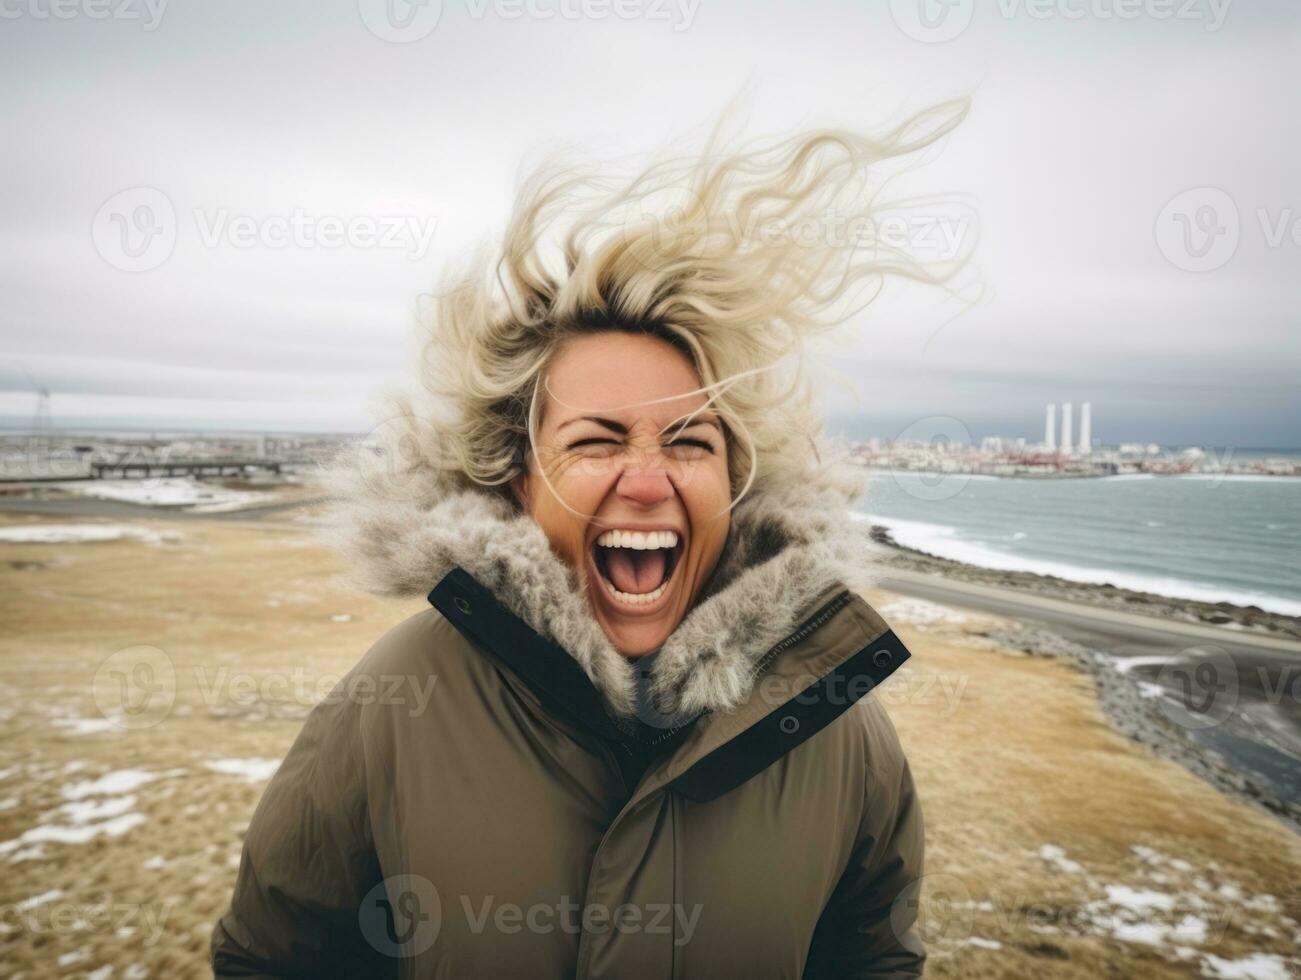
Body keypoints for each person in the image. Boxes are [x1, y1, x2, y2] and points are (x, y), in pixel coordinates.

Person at [211, 98, 971, 978]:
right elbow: (274, 959)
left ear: (735, 483)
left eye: (690, 442)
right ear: (518, 480)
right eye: (596, 440)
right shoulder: (393, 704)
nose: (646, 481)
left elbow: (873, 959)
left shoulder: (834, 725)